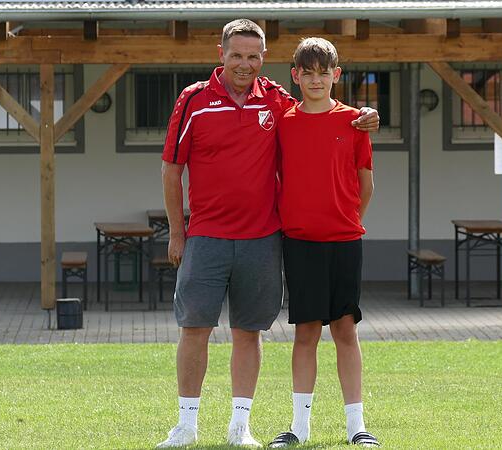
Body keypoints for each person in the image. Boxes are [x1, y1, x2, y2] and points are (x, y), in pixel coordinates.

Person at [157, 20, 379, 447]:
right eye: (236, 55)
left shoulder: (276, 101)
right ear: (220, 55)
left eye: (253, 56)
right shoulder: (194, 100)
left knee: (249, 332)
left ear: (264, 59)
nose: (245, 64)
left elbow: (323, 108)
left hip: (264, 239)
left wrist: (365, 115)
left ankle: (240, 427)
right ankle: (186, 425)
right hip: (205, 235)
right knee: (194, 329)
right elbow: (171, 170)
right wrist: (177, 233)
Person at [267, 37, 380, 448]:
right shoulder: (283, 120)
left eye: (324, 73)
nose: (316, 80)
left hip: (345, 241)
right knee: (305, 334)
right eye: (308, 73)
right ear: (295, 76)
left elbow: (366, 184)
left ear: (337, 75)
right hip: (299, 243)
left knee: (345, 331)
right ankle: (299, 427)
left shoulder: (354, 121)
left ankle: (357, 427)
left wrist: (347, 222)